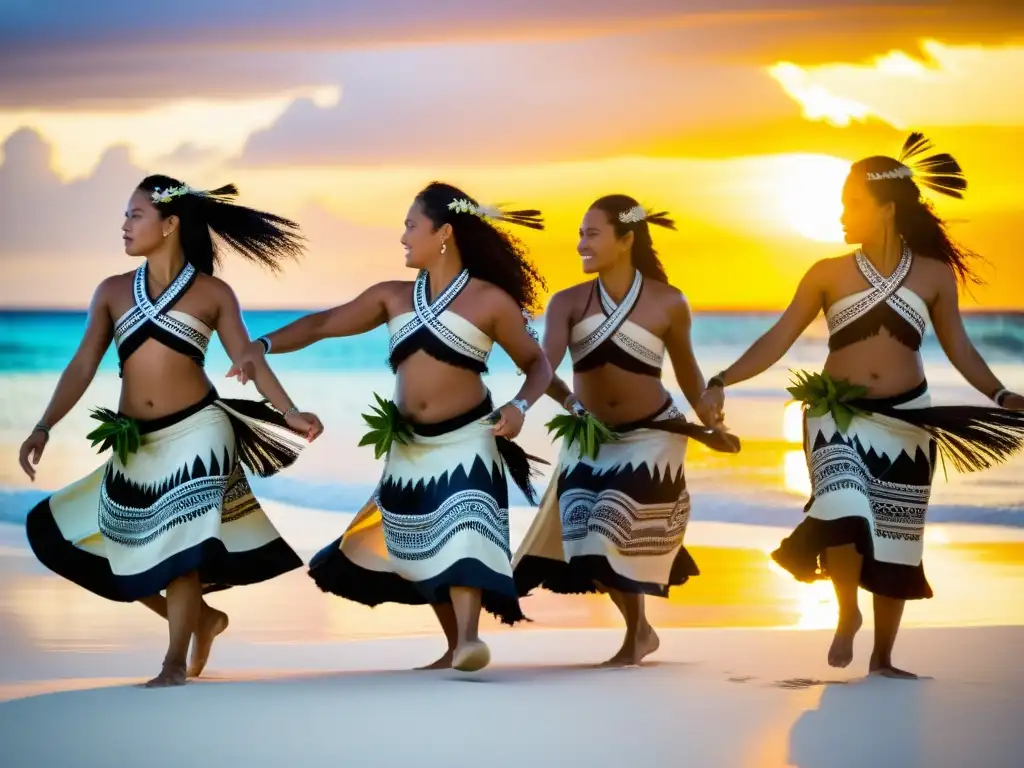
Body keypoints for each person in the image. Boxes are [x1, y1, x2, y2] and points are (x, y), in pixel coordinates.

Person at [697, 134, 1024, 678]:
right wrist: (720, 378)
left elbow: (960, 347)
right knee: (842, 507)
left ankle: (883, 658)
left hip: (908, 420)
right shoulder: (827, 272)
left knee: (896, 538)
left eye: (852, 204)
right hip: (836, 416)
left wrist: (1000, 394)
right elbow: (777, 338)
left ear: (887, 208)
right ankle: (847, 613)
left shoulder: (933, 276)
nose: (842, 215)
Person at [228, 182, 553, 672]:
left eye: (409, 226)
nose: (402, 237)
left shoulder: (489, 301)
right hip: (409, 446)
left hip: (470, 437)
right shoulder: (392, 297)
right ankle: (454, 648)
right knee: (420, 541)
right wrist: (264, 345)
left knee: (464, 531)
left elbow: (538, 365)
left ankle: (469, 639)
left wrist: (521, 406)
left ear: (443, 233)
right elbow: (323, 324)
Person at [19, 176, 324, 688]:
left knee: (183, 549)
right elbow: (81, 365)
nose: (124, 225)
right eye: (126, 215)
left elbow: (246, 358)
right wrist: (43, 425)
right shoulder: (114, 292)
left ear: (170, 223)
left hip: (200, 430)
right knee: (59, 535)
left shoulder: (212, 293)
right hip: (134, 440)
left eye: (134, 214)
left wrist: (289, 410)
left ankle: (173, 664)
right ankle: (198, 620)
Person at [513, 194, 739, 666]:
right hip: (591, 435)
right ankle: (641, 632)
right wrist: (520, 405)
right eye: (579, 234)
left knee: (609, 528)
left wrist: (710, 417)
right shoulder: (569, 303)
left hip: (653, 433)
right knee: (585, 542)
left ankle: (636, 635)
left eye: (591, 234)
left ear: (626, 239)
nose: (580, 244)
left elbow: (689, 374)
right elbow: (543, 365)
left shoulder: (669, 302)